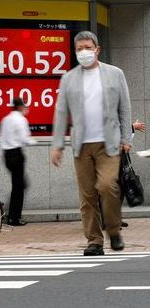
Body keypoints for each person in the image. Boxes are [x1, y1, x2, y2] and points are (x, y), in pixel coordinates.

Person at [51, 31, 132, 256]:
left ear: (97, 49)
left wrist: (126, 138)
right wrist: (57, 144)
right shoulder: (69, 78)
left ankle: (113, 230)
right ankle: (94, 241)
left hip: (109, 143)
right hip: (81, 145)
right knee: (87, 196)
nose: (83, 52)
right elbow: (61, 112)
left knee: (107, 187)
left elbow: (124, 108)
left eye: (87, 47)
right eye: (79, 49)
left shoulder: (115, 74)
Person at [0, 98, 36, 226]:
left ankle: (11, 215)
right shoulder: (21, 119)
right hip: (16, 154)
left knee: (18, 185)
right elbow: (25, 138)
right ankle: (14, 218)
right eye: (24, 106)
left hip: (7, 154)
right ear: (20, 107)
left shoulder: (6, 119)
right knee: (19, 186)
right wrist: (34, 142)